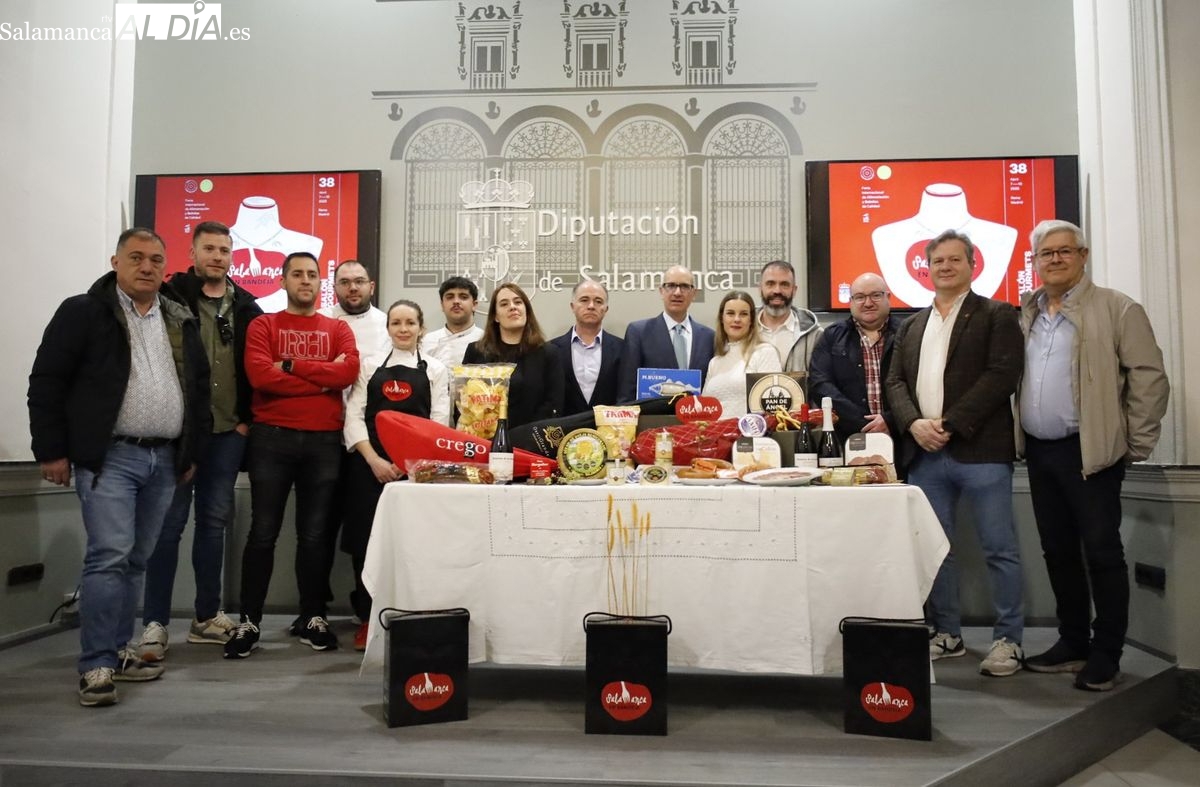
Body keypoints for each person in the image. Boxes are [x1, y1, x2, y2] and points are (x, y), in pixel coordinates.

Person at [28, 228, 211, 706]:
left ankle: (119, 649)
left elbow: (198, 389)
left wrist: (189, 453)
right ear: (115, 261)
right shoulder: (84, 312)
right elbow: (46, 382)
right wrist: (50, 450)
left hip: (165, 458)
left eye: (155, 259)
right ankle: (96, 666)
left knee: (135, 560)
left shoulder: (179, 318)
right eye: (136, 258)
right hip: (110, 455)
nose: (146, 267)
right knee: (109, 555)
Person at [1019, 220, 1169, 691]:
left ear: (1083, 255)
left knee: (1103, 554)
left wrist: (1135, 444)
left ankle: (1106, 653)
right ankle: (1072, 642)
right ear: (1035, 262)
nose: (1056, 259)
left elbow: (1149, 378)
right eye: (1046, 253)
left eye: (1066, 251)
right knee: (1058, 552)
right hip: (1041, 453)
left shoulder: (1117, 308)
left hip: (1092, 454)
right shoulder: (1028, 313)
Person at [884, 229, 1026, 678]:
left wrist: (948, 423)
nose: (945, 267)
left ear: (972, 265)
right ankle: (947, 632)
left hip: (980, 451)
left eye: (954, 260)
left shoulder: (998, 315)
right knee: (936, 550)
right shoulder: (911, 325)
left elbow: (1002, 375)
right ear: (926, 268)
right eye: (937, 261)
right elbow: (895, 384)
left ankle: (1009, 640)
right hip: (925, 455)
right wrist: (913, 424)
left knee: (999, 548)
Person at [224, 252, 359, 659]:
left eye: (313, 275)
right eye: (297, 274)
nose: (305, 280)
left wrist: (291, 366)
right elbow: (260, 377)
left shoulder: (338, 328)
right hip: (272, 440)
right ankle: (249, 621)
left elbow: (346, 374)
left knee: (315, 536)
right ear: (282, 281)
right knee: (263, 533)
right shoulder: (264, 324)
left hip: (323, 442)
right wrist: (319, 381)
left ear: (322, 283)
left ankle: (313, 617)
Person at [138, 222, 261, 663]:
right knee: (168, 526)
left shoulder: (248, 306)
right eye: (209, 248)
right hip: (180, 434)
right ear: (192, 252)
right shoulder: (168, 300)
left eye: (225, 250)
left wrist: (246, 421)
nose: (217, 256)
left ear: (233, 256)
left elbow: (256, 369)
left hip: (229, 433)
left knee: (213, 524)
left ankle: (207, 615)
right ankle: (154, 622)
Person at [342, 300, 451, 650]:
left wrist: (410, 466)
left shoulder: (435, 369)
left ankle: (411, 616)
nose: (403, 329)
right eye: (396, 323)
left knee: (412, 545)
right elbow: (354, 418)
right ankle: (366, 619)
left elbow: (439, 423)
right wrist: (374, 460)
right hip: (369, 469)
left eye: (410, 323)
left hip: (416, 473)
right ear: (387, 328)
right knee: (364, 543)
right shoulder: (370, 366)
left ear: (421, 327)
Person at [807, 272, 905, 442]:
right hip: (849, 438)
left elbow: (919, 384)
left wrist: (890, 420)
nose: (868, 303)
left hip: (902, 438)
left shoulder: (909, 332)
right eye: (859, 297)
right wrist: (862, 423)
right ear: (850, 301)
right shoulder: (832, 336)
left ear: (888, 297)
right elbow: (820, 384)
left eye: (875, 295)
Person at [462, 282, 564, 428]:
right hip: (485, 440)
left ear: (526, 311)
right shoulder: (476, 351)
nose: (512, 307)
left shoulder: (549, 353)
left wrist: (523, 437)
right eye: (504, 304)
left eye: (518, 302)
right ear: (495, 317)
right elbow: (464, 402)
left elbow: (554, 405)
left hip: (531, 443)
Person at [617, 265, 716, 403]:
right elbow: (626, 392)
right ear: (661, 291)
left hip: (697, 421)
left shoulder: (709, 337)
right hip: (653, 421)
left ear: (694, 293)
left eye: (684, 286)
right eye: (670, 286)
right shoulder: (638, 332)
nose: (677, 292)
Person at [549, 279, 625, 416]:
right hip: (564, 432)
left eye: (598, 301)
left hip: (609, 433)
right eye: (584, 300)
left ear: (606, 309)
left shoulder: (623, 349)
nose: (591, 306)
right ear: (572, 306)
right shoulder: (550, 350)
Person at [701, 291, 781, 417]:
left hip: (750, 435)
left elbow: (772, 409)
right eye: (730, 313)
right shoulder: (714, 362)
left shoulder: (764, 352)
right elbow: (704, 411)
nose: (736, 319)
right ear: (722, 318)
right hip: (714, 435)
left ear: (751, 320)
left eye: (743, 314)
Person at [757, 260, 822, 372]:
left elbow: (820, 379)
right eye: (770, 284)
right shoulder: (743, 328)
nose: (777, 290)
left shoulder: (815, 335)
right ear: (760, 289)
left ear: (794, 290)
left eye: (784, 285)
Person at [420, 276, 484, 369]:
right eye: (450, 297)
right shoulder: (426, 341)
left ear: (474, 305)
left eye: (463, 297)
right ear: (442, 305)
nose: (456, 301)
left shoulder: (486, 341)